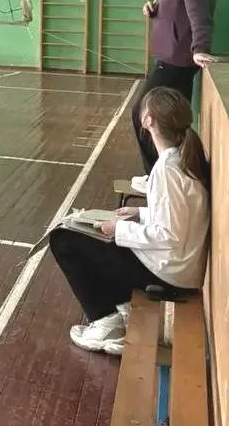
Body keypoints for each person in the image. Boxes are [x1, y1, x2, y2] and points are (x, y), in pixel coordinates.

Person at [50, 86, 210, 355]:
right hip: (179, 267)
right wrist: (139, 214)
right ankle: (120, 308)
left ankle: (105, 323)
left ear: (148, 120)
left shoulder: (168, 170)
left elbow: (169, 234)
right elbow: (182, 216)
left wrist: (119, 229)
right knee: (89, 236)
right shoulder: (181, 159)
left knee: (63, 239)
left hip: (170, 273)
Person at [133, 0, 222, 180]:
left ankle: (157, 177)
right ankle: (172, 176)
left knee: (143, 114)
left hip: (176, 62)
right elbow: (178, 10)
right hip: (170, 58)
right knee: (169, 122)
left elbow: (199, 15)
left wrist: (200, 48)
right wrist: (154, 9)